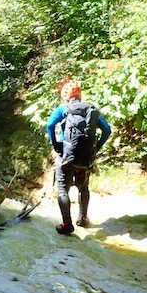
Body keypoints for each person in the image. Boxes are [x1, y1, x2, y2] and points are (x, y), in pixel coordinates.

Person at [45, 80, 111, 235]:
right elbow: (107, 130)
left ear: (64, 97)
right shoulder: (90, 110)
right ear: (79, 96)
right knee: (83, 187)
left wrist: (56, 144)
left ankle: (67, 224)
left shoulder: (63, 109)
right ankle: (82, 218)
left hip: (66, 157)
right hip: (86, 158)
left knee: (63, 190)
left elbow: (49, 126)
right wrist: (97, 148)